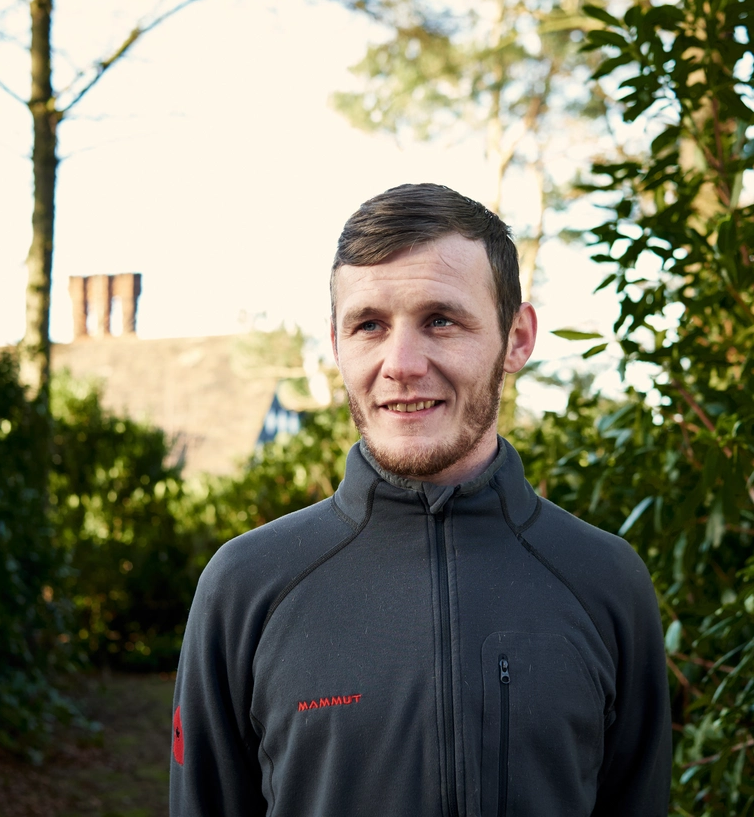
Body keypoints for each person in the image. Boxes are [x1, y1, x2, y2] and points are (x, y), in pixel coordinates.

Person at [169, 183, 671, 817]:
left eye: (440, 320)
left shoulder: (605, 581)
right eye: (369, 326)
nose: (400, 363)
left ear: (516, 339)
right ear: (336, 345)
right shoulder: (245, 588)